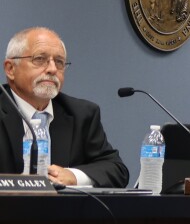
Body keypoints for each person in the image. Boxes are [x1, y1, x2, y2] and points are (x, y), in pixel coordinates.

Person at [0, 27, 129, 187]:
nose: (52, 69)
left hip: (64, 211)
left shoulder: (81, 114)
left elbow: (116, 169)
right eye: (40, 59)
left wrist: (73, 176)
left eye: (59, 62)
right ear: (10, 69)